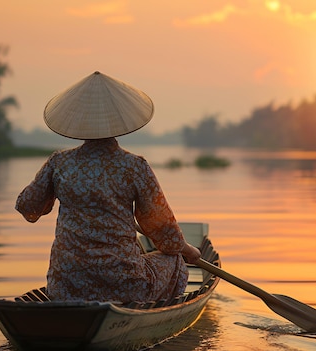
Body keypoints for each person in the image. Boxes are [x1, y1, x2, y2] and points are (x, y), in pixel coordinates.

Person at [15, 71, 201, 303]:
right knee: (174, 261)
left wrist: (57, 195)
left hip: (66, 287)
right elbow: (163, 229)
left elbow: (26, 205)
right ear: (118, 122)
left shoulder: (59, 163)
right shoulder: (135, 166)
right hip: (123, 286)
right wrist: (186, 250)